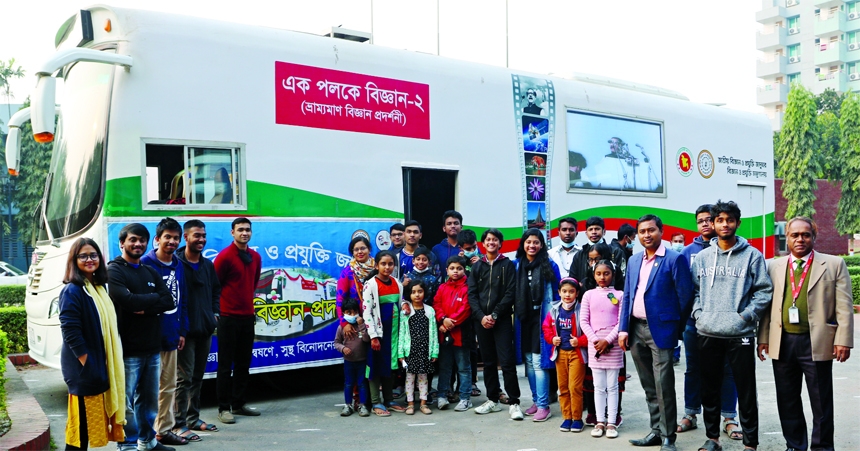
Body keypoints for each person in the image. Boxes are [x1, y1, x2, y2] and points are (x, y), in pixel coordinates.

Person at [758, 216, 854, 451]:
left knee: (821, 400)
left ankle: (822, 447)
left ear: (814, 236)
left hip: (817, 341)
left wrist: (843, 340)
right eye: (795, 235)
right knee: (787, 398)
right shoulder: (773, 266)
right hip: (783, 341)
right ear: (787, 237)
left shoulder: (833, 264)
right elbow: (767, 306)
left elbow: (844, 306)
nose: (800, 239)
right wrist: (762, 338)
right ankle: (794, 445)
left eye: (805, 235)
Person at [691, 200, 773, 451]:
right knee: (709, 389)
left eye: (729, 220)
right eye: (719, 220)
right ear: (712, 224)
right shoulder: (703, 257)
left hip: (740, 334)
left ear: (737, 223)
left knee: (746, 391)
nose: (724, 224)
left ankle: (750, 443)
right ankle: (712, 438)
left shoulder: (752, 255)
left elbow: (764, 291)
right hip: (708, 331)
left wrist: (746, 316)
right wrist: (699, 314)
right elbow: (695, 291)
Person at [618, 214, 693, 451]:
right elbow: (627, 296)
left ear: (660, 231)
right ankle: (657, 431)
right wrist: (622, 329)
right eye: (642, 232)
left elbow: (685, 297)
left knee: (663, 385)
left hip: (661, 331)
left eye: (651, 230)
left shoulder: (673, 259)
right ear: (637, 235)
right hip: (635, 329)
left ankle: (669, 436)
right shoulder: (633, 260)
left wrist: (674, 328)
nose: (646, 235)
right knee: (649, 385)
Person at [108, 223, 176, 451]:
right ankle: (127, 445)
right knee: (125, 402)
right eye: (133, 239)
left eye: (142, 240)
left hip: (152, 347)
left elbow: (169, 301)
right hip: (128, 349)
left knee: (148, 401)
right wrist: (152, 298)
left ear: (148, 243)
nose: (138, 244)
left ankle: (148, 441)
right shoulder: (115, 270)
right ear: (122, 243)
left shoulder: (149, 271)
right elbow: (125, 301)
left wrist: (144, 305)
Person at [677, 205, 742, 440]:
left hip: (727, 323)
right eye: (701, 221)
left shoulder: (733, 249)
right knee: (694, 369)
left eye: (709, 220)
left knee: (727, 370)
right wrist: (694, 316)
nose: (705, 224)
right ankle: (691, 413)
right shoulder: (687, 253)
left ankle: (729, 417)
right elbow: (686, 290)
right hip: (695, 323)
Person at [59, 238, 125, 450]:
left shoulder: (98, 288)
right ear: (74, 260)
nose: (89, 259)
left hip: (96, 367)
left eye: (93, 255)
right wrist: (87, 362)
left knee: (86, 428)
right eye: (83, 256)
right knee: (80, 430)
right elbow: (70, 330)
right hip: (83, 370)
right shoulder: (73, 291)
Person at [140, 218, 190, 447]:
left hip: (171, 336)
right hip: (148, 339)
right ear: (157, 239)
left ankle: (164, 430)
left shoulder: (178, 264)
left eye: (175, 238)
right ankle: (145, 435)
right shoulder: (144, 264)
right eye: (167, 237)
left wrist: (181, 331)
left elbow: (183, 300)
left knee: (169, 386)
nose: (171, 241)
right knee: (147, 390)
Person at [173, 219, 221, 440]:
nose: (201, 239)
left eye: (203, 235)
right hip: (185, 332)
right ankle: (178, 424)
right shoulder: (176, 263)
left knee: (199, 376)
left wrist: (215, 314)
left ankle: (194, 418)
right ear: (186, 237)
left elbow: (215, 292)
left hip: (205, 330)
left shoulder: (208, 265)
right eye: (197, 235)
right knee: (184, 378)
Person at [468, 228, 523, 420]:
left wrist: (495, 315)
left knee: (507, 362)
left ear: (500, 243)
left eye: (495, 240)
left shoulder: (507, 265)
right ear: (483, 244)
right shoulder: (477, 266)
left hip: (501, 321)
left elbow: (510, 292)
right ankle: (492, 399)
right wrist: (482, 316)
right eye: (488, 239)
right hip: (481, 321)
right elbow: (472, 295)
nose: (491, 242)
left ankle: (514, 402)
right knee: (489, 362)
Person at [214, 218, 263, 424]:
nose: (244, 233)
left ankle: (239, 404)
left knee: (244, 363)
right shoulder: (224, 257)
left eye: (247, 230)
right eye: (240, 230)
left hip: (247, 317)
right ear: (232, 232)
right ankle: (224, 408)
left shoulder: (255, 257)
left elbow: (253, 283)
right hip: (227, 318)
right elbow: (215, 285)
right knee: (225, 365)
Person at [514, 228, 561, 422]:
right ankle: (536, 401)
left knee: (540, 363)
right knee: (529, 364)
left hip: (542, 318)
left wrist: (555, 321)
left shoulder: (550, 265)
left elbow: (558, 295)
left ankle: (544, 405)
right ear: (523, 244)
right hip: (523, 319)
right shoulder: (516, 265)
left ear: (542, 245)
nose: (532, 245)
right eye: (528, 242)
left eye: (536, 242)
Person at [581, 260, 624, 439]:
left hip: (613, 347)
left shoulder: (620, 295)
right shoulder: (588, 295)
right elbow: (584, 321)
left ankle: (612, 422)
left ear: (613, 274)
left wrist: (607, 340)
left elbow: (621, 321)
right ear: (593, 275)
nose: (602, 277)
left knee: (613, 386)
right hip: (595, 347)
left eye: (606, 273)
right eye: (598, 273)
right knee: (598, 386)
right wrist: (595, 340)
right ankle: (599, 421)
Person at [541, 277, 587, 433]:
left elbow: (589, 331)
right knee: (563, 387)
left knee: (575, 387)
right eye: (564, 291)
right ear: (559, 292)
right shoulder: (554, 309)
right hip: (560, 354)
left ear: (577, 293)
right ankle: (567, 417)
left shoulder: (582, 310)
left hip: (576, 354)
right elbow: (546, 328)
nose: (568, 295)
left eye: (571, 291)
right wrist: (552, 338)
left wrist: (580, 341)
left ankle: (577, 418)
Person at [362, 250, 404, 416]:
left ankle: (389, 399)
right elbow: (366, 312)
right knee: (375, 366)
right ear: (376, 265)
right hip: (379, 334)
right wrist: (374, 336)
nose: (387, 267)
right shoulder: (370, 285)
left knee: (390, 365)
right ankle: (375, 402)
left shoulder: (397, 283)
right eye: (383, 264)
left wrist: (406, 305)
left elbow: (400, 304)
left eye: (390, 264)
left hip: (393, 334)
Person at [434, 256, 473, 412]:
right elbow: (436, 304)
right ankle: (442, 395)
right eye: (452, 268)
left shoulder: (468, 287)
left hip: (462, 335)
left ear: (464, 270)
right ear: (447, 270)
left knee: (464, 368)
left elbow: (466, 308)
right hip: (444, 335)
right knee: (444, 367)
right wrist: (442, 320)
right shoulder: (442, 287)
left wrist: (450, 323)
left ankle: (465, 398)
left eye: (459, 268)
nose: (455, 271)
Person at [397, 280, 439, 415]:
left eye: (420, 291)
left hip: (425, 350)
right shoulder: (406, 311)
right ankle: (410, 404)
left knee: (423, 378)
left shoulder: (430, 311)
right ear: (409, 294)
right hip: (410, 350)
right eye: (413, 292)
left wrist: (434, 352)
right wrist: (401, 353)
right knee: (409, 378)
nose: (417, 295)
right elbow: (402, 332)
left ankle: (423, 403)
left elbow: (434, 333)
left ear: (424, 293)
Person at [334, 298, 371, 417]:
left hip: (362, 361)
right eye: (348, 312)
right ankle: (348, 405)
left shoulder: (362, 325)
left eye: (354, 312)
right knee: (348, 383)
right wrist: (343, 349)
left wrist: (361, 325)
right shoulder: (341, 328)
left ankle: (362, 405)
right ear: (344, 313)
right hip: (349, 361)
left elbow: (366, 339)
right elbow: (336, 343)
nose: (352, 315)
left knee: (362, 383)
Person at [569, 217, 626, 290]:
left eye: (597, 229)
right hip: (585, 297)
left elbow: (621, 278)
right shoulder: (579, 255)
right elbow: (573, 280)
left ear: (604, 231)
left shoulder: (615, 252)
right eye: (590, 229)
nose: (594, 232)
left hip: (612, 296)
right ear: (586, 233)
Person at [336, 236, 375, 342]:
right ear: (352, 252)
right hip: (356, 323)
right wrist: (344, 323)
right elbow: (340, 300)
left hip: (377, 320)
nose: (360, 252)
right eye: (356, 249)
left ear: (369, 249)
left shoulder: (378, 268)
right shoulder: (347, 272)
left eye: (363, 248)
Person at [432, 210, 463, 274]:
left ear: (461, 227)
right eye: (449, 224)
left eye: (456, 223)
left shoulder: (469, 247)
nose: (453, 226)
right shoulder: (437, 249)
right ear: (444, 228)